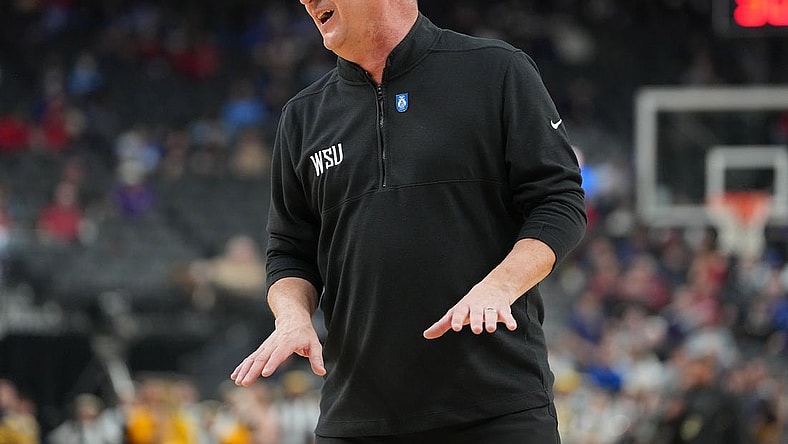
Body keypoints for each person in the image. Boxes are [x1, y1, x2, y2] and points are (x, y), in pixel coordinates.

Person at [231, 0, 586, 443]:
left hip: (496, 410)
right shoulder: (302, 117)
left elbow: (559, 201)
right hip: (355, 419)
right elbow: (289, 254)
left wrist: (501, 286)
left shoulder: (497, 71)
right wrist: (291, 317)